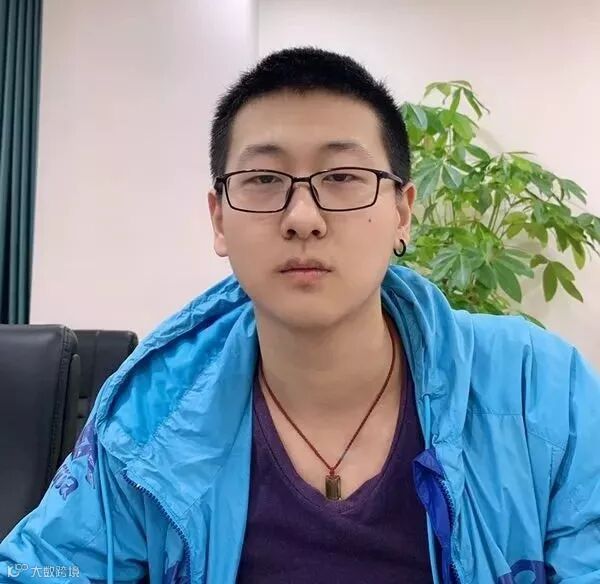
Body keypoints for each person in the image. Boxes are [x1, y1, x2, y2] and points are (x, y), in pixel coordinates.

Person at [1, 46, 599, 584]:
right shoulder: (149, 415)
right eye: (264, 179)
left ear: (402, 213)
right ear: (219, 219)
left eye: (342, 177)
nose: (303, 217)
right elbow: (43, 565)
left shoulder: (541, 390)